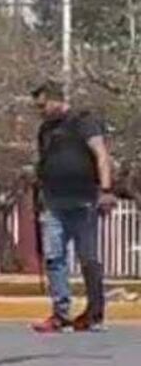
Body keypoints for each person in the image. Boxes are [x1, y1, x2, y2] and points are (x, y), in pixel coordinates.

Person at [30, 80, 115, 333]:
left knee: (88, 258)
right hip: (55, 202)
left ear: (57, 100)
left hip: (85, 201)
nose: (41, 111)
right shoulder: (45, 130)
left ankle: (95, 313)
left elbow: (101, 155)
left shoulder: (83, 121)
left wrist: (106, 190)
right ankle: (60, 314)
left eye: (44, 105)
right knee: (54, 257)